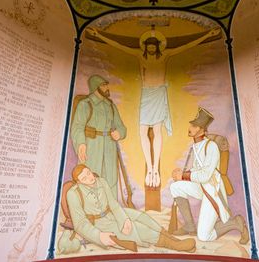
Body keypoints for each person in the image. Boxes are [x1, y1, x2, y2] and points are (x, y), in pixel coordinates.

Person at [87, 26, 220, 187]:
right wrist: (99, 35)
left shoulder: (165, 56)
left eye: (153, 47)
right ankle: (149, 168)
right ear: (145, 47)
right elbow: (120, 46)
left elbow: (186, 46)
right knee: (142, 130)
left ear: (157, 47)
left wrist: (207, 34)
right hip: (146, 95)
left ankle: (155, 169)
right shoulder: (139, 56)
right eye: (148, 47)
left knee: (157, 130)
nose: (150, 49)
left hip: (158, 95)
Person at [67, 164, 197, 253]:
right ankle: (174, 245)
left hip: (111, 213)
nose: (90, 178)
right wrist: (99, 236)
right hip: (99, 224)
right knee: (139, 228)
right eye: (84, 178)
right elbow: (80, 224)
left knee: (143, 217)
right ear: (79, 182)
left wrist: (124, 220)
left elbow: (113, 204)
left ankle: (171, 238)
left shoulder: (101, 181)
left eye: (89, 173)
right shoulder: (73, 194)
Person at [170, 107, 249, 243]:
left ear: (202, 130)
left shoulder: (211, 146)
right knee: (175, 187)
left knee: (204, 236)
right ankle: (189, 226)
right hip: (202, 187)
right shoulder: (195, 147)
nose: (190, 127)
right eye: (191, 124)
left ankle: (235, 223)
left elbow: (205, 176)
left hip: (213, 191)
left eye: (194, 126)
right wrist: (181, 175)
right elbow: (196, 171)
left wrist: (183, 175)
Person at [71, 74, 126, 199]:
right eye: (103, 85)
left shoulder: (111, 106)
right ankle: (91, 212)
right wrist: (81, 143)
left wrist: (120, 133)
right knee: (90, 178)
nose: (107, 88)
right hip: (91, 146)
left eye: (106, 84)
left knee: (110, 179)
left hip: (109, 148)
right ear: (95, 87)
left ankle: (111, 211)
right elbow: (77, 127)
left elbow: (121, 127)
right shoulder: (85, 104)